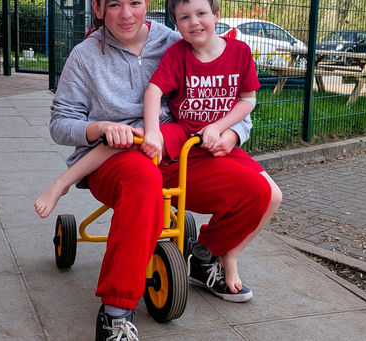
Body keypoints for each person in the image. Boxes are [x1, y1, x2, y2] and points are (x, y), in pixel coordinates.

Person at [47, 0, 281, 340]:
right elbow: (59, 124)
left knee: (258, 191)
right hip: (116, 156)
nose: (126, 14)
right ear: (98, 9)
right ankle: (116, 312)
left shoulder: (176, 40)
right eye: (114, 4)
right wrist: (97, 127)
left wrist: (234, 132)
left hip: (177, 147)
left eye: (135, 3)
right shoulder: (84, 57)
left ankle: (206, 256)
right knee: (144, 182)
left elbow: (227, 97)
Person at [141, 0, 282, 303]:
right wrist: (152, 130)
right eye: (184, 17)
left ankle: (221, 254)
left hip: (217, 141)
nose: (194, 22)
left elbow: (248, 99)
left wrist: (222, 127)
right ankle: (210, 255)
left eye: (201, 13)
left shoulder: (239, 52)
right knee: (256, 192)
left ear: (216, 15)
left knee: (274, 196)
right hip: (188, 143)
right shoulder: (178, 54)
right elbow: (154, 90)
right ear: (176, 24)